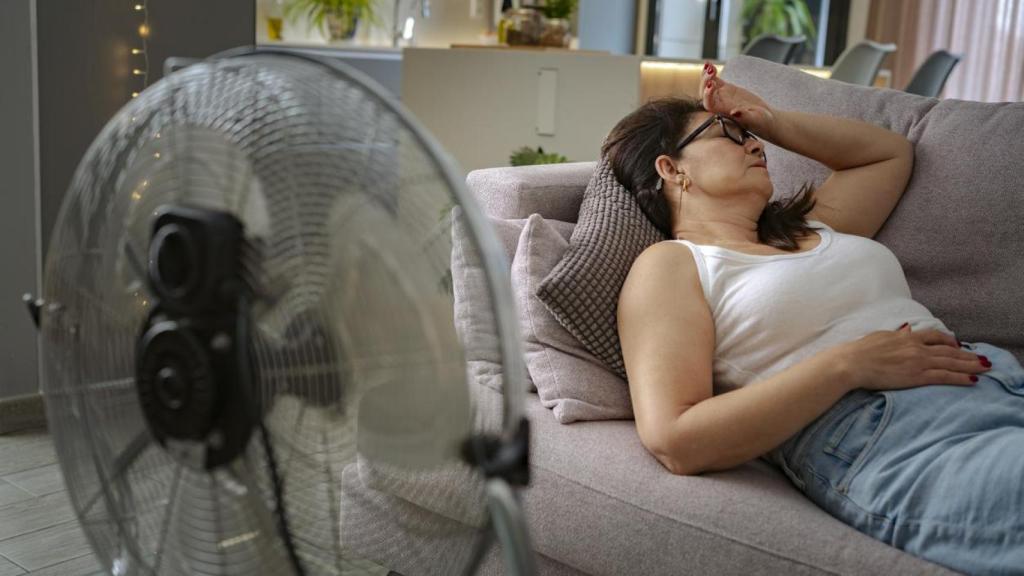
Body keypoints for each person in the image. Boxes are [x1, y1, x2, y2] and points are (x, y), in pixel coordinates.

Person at [610, 62, 1024, 575]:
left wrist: (768, 120)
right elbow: (675, 439)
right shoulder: (671, 266)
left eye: (752, 137)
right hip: (892, 434)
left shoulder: (811, 228)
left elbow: (887, 154)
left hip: (995, 380)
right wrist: (848, 365)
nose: (755, 145)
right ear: (672, 169)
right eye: (729, 135)